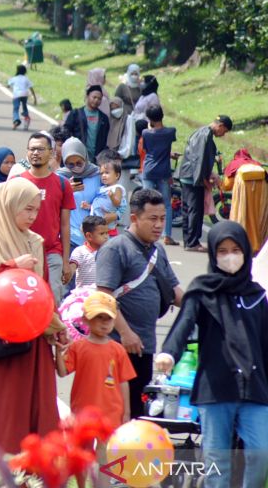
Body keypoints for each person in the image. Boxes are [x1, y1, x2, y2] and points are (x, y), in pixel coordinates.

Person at [155, 222, 268, 488]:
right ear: (213, 255)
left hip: (255, 388)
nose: (230, 256)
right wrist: (169, 354)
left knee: (260, 453)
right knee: (217, 461)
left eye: (236, 249)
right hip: (215, 387)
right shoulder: (202, 291)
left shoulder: (257, 296)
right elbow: (183, 325)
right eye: (223, 251)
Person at [0, 178, 66, 453]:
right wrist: (11, 267)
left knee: (32, 400)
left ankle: (31, 466)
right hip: (1, 333)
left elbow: (43, 287)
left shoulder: (35, 242)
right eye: (28, 210)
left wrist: (56, 324)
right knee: (3, 401)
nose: (33, 217)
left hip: (34, 332)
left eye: (36, 210)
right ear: (10, 208)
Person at [96, 188, 183, 416]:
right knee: (115, 412)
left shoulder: (158, 251)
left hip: (145, 345)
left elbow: (176, 293)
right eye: (152, 219)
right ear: (134, 218)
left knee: (137, 411)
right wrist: (125, 332)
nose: (158, 225)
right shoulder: (115, 249)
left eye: (163, 219)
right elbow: (104, 297)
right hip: (117, 346)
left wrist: (207, 305)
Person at [55, 291, 136, 428]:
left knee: (104, 446)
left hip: (111, 411)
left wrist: (126, 412)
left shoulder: (118, 350)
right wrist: (58, 352)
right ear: (85, 319)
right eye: (99, 317)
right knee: (83, 446)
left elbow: (124, 382)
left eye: (109, 318)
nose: (104, 323)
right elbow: (62, 372)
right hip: (82, 410)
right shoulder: (77, 346)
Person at [19, 131, 76, 303]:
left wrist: (66, 262)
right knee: (25, 300)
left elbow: (65, 225)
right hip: (22, 252)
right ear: (27, 152)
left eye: (40, 149)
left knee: (52, 301)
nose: (35, 153)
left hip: (52, 252)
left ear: (51, 153)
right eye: (32, 149)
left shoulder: (62, 184)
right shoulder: (16, 182)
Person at [177, 115, 232, 252]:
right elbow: (199, 160)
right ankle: (193, 243)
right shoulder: (205, 136)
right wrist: (203, 181)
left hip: (186, 175)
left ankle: (188, 241)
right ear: (221, 126)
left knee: (187, 209)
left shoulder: (200, 131)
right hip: (193, 178)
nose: (223, 134)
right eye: (224, 131)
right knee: (196, 210)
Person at [140, 104, 178, 245]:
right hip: (163, 171)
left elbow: (148, 149)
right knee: (166, 204)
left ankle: (144, 232)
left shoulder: (145, 133)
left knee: (146, 202)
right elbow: (165, 145)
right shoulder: (170, 131)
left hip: (149, 170)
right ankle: (167, 235)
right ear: (162, 115)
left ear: (149, 119)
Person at [64, 85, 109, 162]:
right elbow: (66, 132)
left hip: (96, 159)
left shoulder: (103, 118)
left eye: (99, 99)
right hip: (77, 156)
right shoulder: (75, 114)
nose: (96, 100)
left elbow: (104, 139)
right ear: (87, 96)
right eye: (94, 97)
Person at [83, 158, 127, 238]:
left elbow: (118, 203)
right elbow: (98, 204)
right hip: (97, 221)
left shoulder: (117, 188)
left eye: (107, 173)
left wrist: (112, 196)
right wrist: (89, 206)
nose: (103, 175)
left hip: (108, 225)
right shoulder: (102, 188)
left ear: (117, 175)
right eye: (101, 173)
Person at [63, 216, 108, 290]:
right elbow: (72, 267)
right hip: (84, 296)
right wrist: (68, 274)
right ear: (89, 236)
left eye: (107, 233)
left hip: (101, 296)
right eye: (102, 234)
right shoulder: (80, 251)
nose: (106, 237)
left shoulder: (108, 252)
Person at [7, 64, 37, 130]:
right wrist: (35, 98)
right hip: (24, 94)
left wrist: (8, 85)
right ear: (25, 71)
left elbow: (8, 85)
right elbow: (31, 88)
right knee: (25, 108)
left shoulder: (14, 78)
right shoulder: (26, 79)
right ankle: (26, 120)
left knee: (16, 109)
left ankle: (16, 120)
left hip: (17, 95)